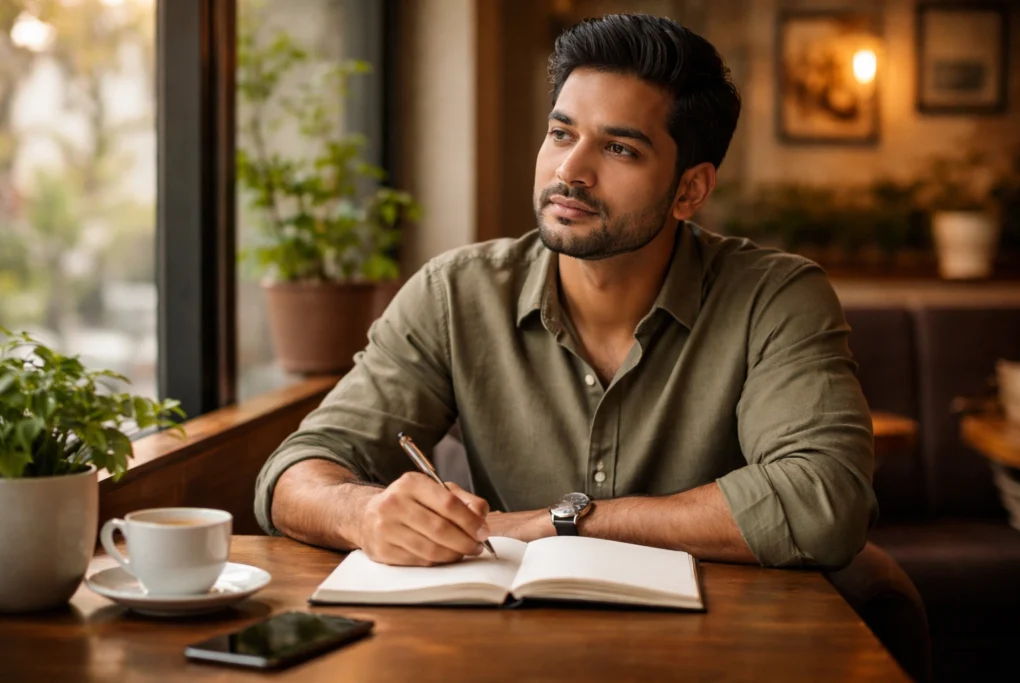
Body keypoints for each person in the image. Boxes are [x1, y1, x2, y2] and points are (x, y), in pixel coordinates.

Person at [254, 13, 876, 569]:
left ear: (690, 190)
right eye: (560, 134)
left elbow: (824, 499)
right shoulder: (456, 293)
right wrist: (364, 515)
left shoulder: (776, 296)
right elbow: (296, 473)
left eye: (619, 148)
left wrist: (559, 524)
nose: (569, 171)